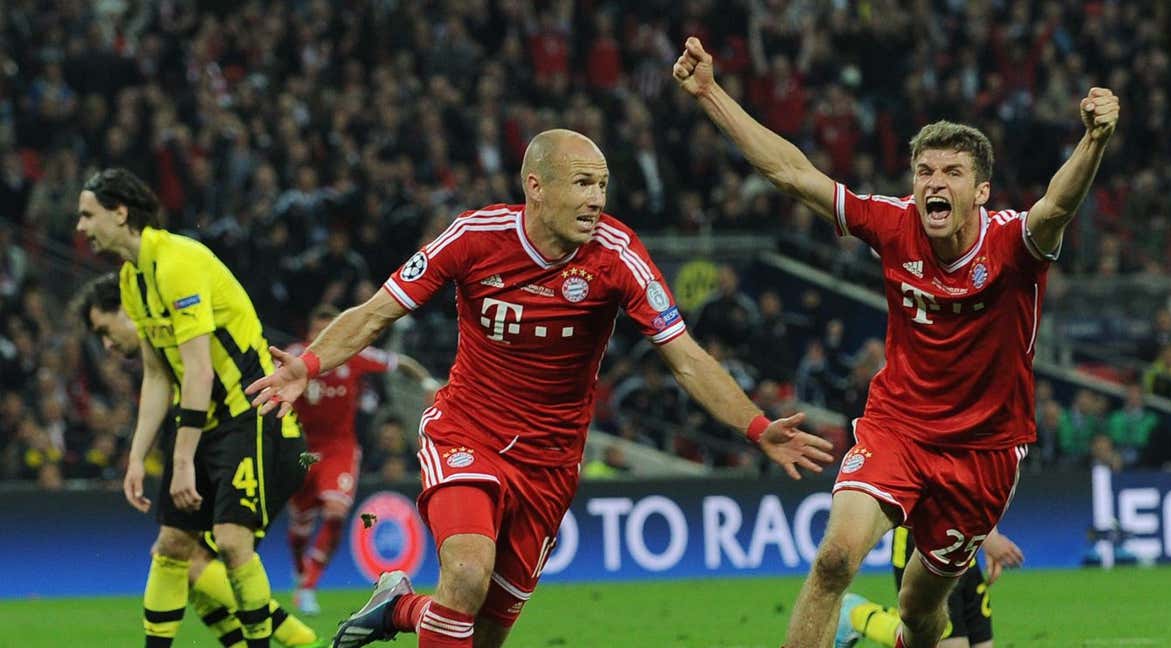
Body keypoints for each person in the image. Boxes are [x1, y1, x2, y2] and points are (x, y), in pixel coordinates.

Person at [247, 128, 836, 648]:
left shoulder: (618, 255)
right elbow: (377, 312)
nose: (597, 200)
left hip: (550, 465)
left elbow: (684, 357)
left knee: (481, 633)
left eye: (603, 186)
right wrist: (310, 363)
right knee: (468, 574)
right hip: (466, 435)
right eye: (583, 184)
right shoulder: (474, 237)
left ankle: (398, 606)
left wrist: (757, 427)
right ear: (537, 185)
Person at [673, 36, 1119, 648]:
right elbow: (791, 173)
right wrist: (711, 94)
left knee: (920, 609)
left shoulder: (1015, 244)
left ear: (980, 191)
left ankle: (894, 634)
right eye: (924, 171)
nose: (934, 183)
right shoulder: (893, 222)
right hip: (898, 427)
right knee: (834, 559)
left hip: (984, 453)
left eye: (952, 173)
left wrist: (1094, 141)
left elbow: (1058, 206)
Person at [74, 168, 313, 648]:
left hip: (250, 415)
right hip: (205, 420)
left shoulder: (178, 260)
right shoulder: (130, 280)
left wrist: (181, 461)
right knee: (173, 547)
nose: (80, 227)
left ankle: (284, 639)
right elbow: (159, 374)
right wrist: (138, 455)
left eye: (87, 214)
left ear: (120, 213)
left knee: (229, 540)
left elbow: (199, 371)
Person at [286, 303, 439, 615]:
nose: (321, 338)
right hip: (301, 451)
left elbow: (401, 363)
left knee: (335, 512)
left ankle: (308, 586)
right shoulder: (295, 355)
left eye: (327, 332)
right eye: (316, 331)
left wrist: (426, 383)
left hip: (339, 449)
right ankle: (301, 570)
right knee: (300, 527)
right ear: (309, 333)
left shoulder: (353, 355)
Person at [843, 529, 1025, 648]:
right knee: (932, 639)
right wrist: (989, 539)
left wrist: (988, 532)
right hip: (922, 541)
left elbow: (977, 480)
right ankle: (861, 616)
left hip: (965, 542)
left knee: (983, 644)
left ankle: (862, 614)